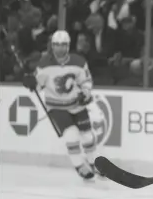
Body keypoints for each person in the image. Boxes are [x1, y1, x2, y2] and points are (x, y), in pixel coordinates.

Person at [22, 30, 103, 181]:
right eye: (56, 45)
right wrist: (31, 83)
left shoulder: (79, 61)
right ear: (52, 46)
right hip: (56, 107)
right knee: (71, 134)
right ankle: (79, 166)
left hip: (77, 104)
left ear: (68, 46)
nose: (59, 48)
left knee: (87, 136)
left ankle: (93, 163)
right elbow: (39, 86)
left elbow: (85, 81)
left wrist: (85, 92)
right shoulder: (44, 64)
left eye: (63, 45)